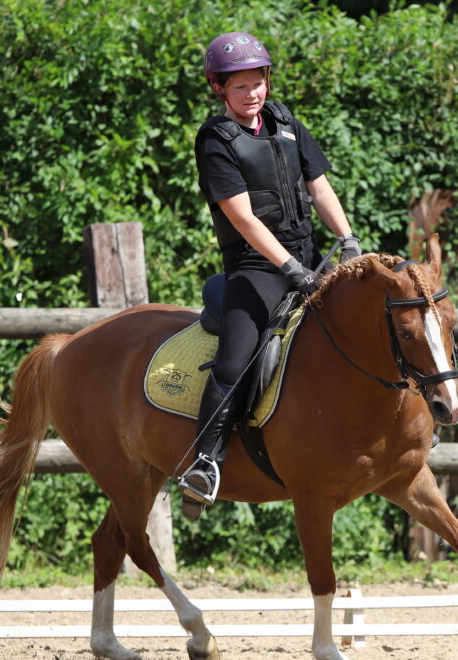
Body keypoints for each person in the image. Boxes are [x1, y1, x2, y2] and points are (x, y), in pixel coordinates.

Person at [178, 31, 361, 519]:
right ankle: (205, 462)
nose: (253, 94)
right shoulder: (216, 140)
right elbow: (242, 218)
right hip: (257, 269)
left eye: (257, 82)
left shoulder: (286, 123)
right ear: (219, 89)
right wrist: (288, 267)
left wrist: (348, 240)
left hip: (310, 257)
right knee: (235, 363)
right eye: (240, 87)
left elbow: (319, 188)